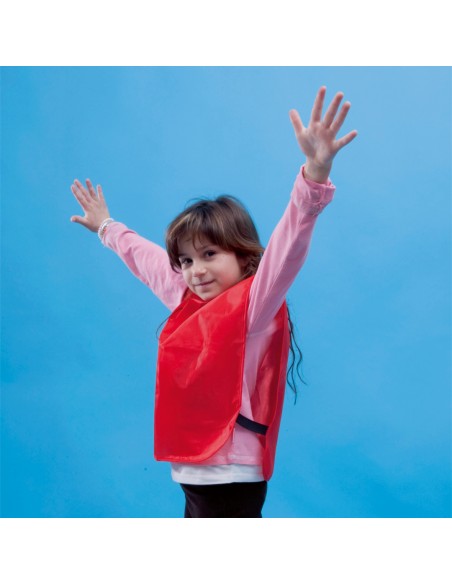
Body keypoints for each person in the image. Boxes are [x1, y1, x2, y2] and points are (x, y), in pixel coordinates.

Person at [70, 86, 357, 518]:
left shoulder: (254, 306)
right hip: (192, 469)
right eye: (186, 260)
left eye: (209, 254)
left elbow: (289, 245)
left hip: (233, 472)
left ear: (242, 257)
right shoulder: (189, 301)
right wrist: (107, 227)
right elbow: (149, 262)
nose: (196, 270)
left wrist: (314, 174)